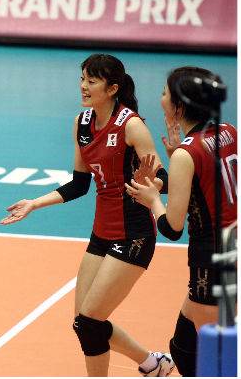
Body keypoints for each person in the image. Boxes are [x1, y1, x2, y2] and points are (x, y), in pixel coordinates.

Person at [0, 54, 174, 377]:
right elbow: (80, 184)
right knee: (83, 322)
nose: (83, 86)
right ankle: (153, 363)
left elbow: (165, 177)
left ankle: (152, 364)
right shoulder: (82, 123)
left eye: (91, 81)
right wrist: (34, 204)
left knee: (91, 320)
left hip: (134, 234)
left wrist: (152, 184)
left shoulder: (131, 125)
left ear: (112, 88)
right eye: (82, 78)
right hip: (101, 232)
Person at [125, 66, 237, 377]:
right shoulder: (228, 131)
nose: (160, 99)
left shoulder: (187, 154)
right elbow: (208, 182)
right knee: (184, 347)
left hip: (211, 259)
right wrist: (177, 156)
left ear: (179, 107)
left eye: (164, 94)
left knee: (218, 358)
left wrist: (152, 199)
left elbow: (172, 228)